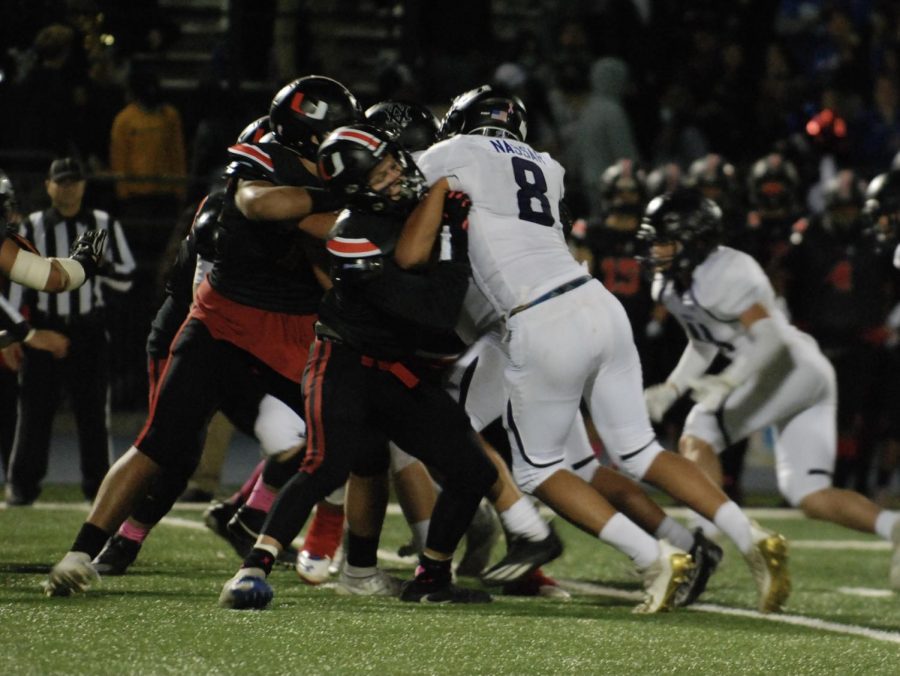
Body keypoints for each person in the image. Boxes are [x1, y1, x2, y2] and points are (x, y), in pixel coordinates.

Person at [399, 85, 792, 614]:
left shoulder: (451, 153)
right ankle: (747, 536)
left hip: (535, 317)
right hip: (596, 303)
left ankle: (654, 558)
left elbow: (393, 186)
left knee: (537, 471)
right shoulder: (548, 166)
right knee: (639, 450)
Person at [42, 75, 361, 597]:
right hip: (225, 319)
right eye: (336, 131)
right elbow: (262, 204)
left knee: (349, 431)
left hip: (292, 326)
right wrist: (332, 202)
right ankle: (82, 552)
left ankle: (338, 555)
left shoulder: (327, 171)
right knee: (162, 444)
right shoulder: (264, 162)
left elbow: (333, 242)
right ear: (306, 136)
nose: (344, 144)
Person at [218, 123, 498, 609]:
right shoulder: (350, 233)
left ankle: (431, 579)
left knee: (471, 468)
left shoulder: (410, 207)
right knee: (326, 463)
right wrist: (452, 238)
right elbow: (432, 311)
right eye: (381, 176)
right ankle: (251, 569)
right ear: (355, 191)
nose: (396, 177)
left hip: (395, 368)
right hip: (345, 361)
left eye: (393, 165)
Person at [639, 188, 900, 590]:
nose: (654, 249)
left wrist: (730, 380)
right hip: (801, 373)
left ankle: (705, 544)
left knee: (699, 432)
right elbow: (704, 341)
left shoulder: (726, 271)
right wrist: (673, 388)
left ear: (692, 239)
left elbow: (771, 339)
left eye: (662, 239)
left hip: (787, 366)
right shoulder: (673, 285)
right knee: (808, 493)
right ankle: (894, 527)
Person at [5, 157, 133, 506]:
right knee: (34, 412)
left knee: (93, 414)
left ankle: (98, 488)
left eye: (74, 181)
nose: (68, 188)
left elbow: (126, 277)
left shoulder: (101, 223)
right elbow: (18, 287)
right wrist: (23, 333)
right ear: (48, 185)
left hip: (87, 329)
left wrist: (97, 268)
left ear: (84, 185)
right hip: (45, 325)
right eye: (61, 182)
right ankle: (23, 485)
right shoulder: (31, 226)